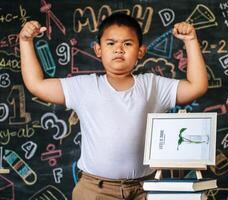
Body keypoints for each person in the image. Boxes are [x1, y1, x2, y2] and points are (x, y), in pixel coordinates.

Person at [19, 12, 208, 200]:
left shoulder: (153, 85)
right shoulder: (84, 86)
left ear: (140, 51)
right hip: (95, 189)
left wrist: (190, 41)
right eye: (111, 43)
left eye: (127, 43)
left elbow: (197, 87)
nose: (119, 49)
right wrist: (25, 41)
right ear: (98, 50)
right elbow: (36, 84)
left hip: (146, 188)